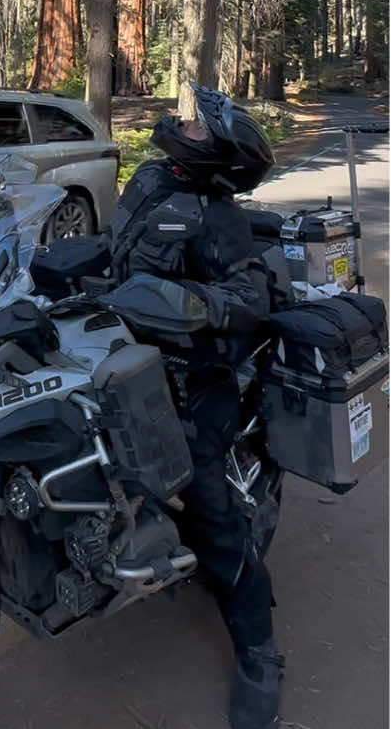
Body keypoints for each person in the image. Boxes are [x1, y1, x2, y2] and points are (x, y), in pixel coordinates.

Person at [111, 85, 282, 729]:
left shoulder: (218, 215)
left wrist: (189, 305)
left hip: (193, 376)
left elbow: (249, 298)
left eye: (198, 124)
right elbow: (112, 253)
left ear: (219, 154)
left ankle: (259, 651)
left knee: (214, 510)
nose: (183, 122)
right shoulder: (150, 180)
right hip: (121, 356)